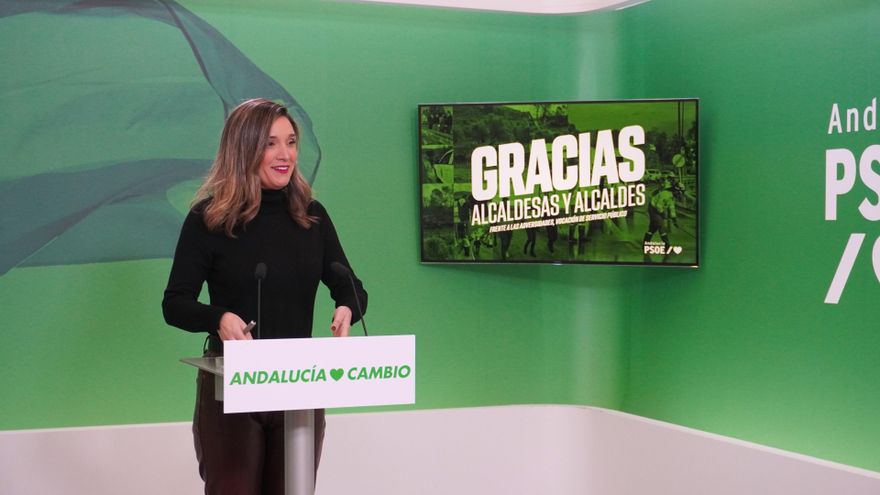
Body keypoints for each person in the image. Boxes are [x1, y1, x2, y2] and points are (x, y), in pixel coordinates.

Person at [162, 98, 367, 495]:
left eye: (290, 142)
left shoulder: (312, 217)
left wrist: (347, 306)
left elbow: (349, 286)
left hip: (299, 383)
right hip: (232, 385)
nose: (284, 154)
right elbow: (175, 304)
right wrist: (219, 318)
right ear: (244, 148)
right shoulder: (208, 220)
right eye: (271, 143)